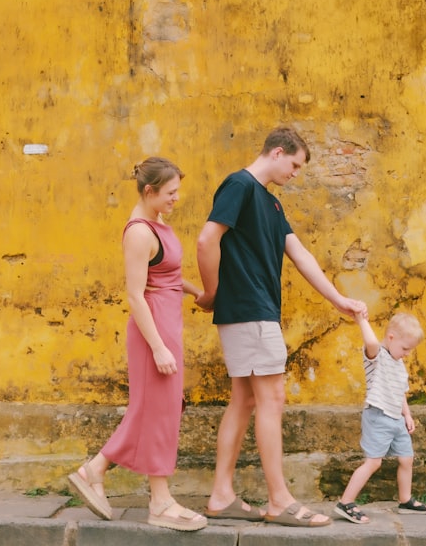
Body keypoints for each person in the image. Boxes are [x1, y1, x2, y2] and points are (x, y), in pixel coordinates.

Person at [195, 126, 368, 528]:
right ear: (276, 153)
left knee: (245, 400)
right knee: (272, 400)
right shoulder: (239, 185)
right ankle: (279, 500)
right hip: (250, 309)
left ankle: (221, 495)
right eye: (294, 165)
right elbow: (207, 240)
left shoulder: (270, 204)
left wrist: (338, 299)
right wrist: (211, 291)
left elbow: (299, 254)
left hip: (254, 311)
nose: (295, 174)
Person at [68, 157, 208, 532]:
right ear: (149, 191)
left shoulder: (158, 223)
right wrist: (159, 347)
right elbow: (135, 296)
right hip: (153, 333)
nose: (177, 198)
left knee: (160, 410)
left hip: (168, 325)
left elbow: (167, 276)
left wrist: (199, 293)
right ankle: (159, 501)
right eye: (170, 192)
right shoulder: (139, 233)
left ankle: (94, 470)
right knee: (156, 412)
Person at [334, 310, 426, 524]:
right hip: (378, 416)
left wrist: (407, 415)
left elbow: (400, 392)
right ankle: (346, 502)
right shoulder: (377, 356)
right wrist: (361, 319)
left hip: (396, 418)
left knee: (407, 458)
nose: (407, 353)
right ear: (391, 338)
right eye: (405, 348)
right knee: (373, 462)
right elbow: (370, 340)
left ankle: (405, 500)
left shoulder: (399, 364)